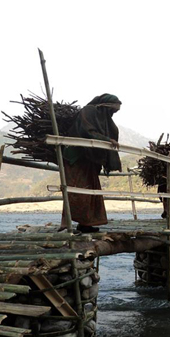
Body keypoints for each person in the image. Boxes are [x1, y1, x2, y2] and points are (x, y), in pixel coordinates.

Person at [60, 94, 122, 233]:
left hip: (90, 159)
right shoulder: (88, 111)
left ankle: (86, 224)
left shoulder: (105, 120)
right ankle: (66, 224)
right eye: (113, 110)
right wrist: (106, 139)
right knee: (76, 189)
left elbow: (112, 131)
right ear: (105, 106)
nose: (113, 114)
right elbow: (86, 131)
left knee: (90, 191)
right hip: (77, 157)